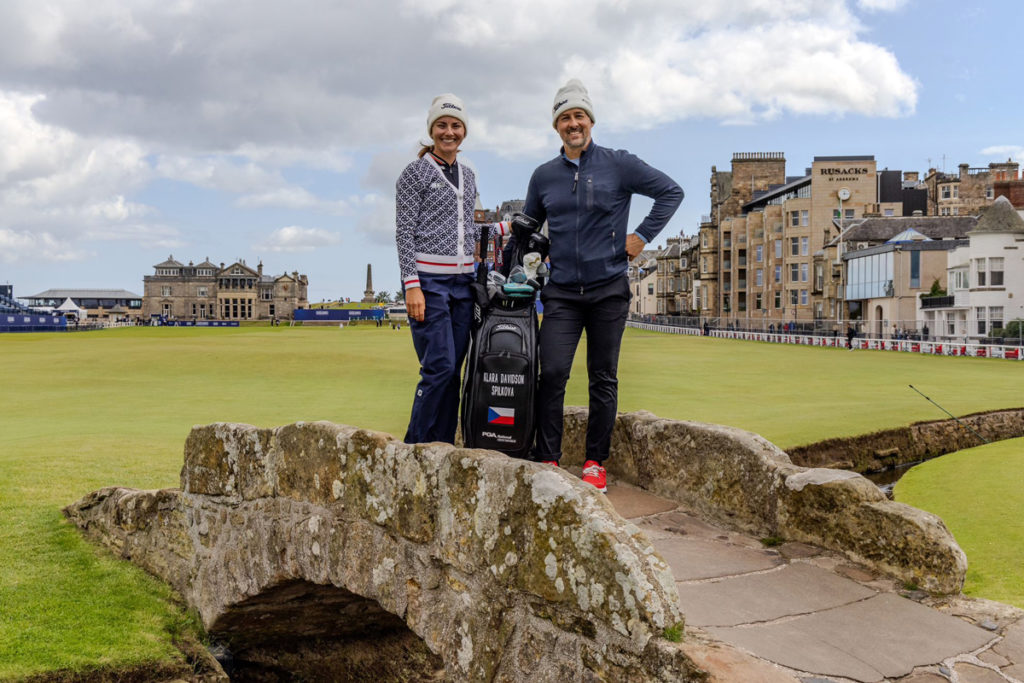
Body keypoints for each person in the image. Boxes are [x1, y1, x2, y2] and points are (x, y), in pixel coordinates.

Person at [523, 79, 683, 492]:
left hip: (608, 289)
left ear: (590, 120)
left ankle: (595, 460)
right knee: (552, 372)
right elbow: (527, 230)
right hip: (560, 293)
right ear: (556, 126)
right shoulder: (543, 176)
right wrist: (520, 271)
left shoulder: (618, 163)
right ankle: (549, 457)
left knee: (602, 376)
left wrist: (642, 236)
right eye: (564, 118)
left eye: (578, 116)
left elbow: (670, 191)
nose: (572, 124)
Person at [395, 93, 507, 445]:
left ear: (464, 131)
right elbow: (404, 231)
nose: (449, 132)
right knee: (438, 368)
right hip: (428, 284)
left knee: (453, 372)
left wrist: (507, 228)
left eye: (456, 125)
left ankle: (441, 448)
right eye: (442, 125)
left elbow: (467, 229)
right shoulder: (415, 172)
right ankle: (413, 449)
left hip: (462, 284)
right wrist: (411, 284)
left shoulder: (469, 175)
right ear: (432, 129)